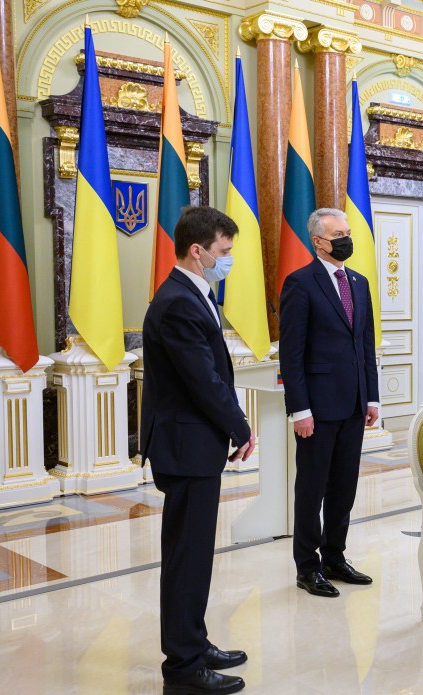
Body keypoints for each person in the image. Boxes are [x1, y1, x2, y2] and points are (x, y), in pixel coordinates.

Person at [142, 206, 255, 695]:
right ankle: (184, 668)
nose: (227, 259)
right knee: (187, 558)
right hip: (186, 446)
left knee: (193, 555)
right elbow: (203, 380)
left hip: (195, 443)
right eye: (223, 251)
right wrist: (241, 427)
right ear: (197, 250)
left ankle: (194, 640)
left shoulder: (193, 293)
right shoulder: (178, 302)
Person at [279, 208, 379, 598]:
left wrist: (371, 397)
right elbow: (292, 354)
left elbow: (365, 345)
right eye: (338, 234)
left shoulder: (359, 282)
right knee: (312, 490)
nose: (346, 239)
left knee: (343, 488)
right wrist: (299, 409)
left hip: (353, 404)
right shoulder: (300, 283)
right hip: (317, 409)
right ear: (318, 241)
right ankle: (307, 567)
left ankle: (335, 557)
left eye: (347, 232)